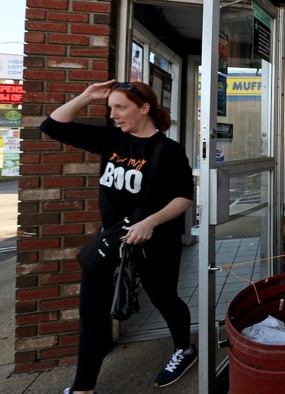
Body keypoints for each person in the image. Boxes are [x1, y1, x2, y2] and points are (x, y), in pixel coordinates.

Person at [41, 80, 197, 393]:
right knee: (91, 312)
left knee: (163, 298)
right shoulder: (111, 139)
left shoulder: (167, 150)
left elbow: (184, 197)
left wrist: (151, 222)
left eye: (121, 107)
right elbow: (53, 125)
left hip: (154, 242)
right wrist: (87, 96)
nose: (114, 114)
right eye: (110, 107)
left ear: (144, 108)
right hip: (111, 240)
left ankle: (184, 348)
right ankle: (83, 386)